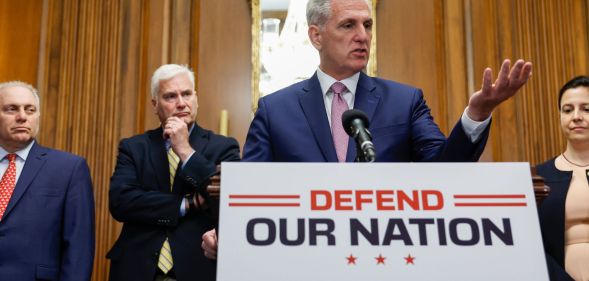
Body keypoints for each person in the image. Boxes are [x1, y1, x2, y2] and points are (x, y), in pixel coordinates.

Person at [202, 0, 532, 258]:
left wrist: (477, 112)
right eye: (348, 25)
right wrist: (227, 233)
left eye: (367, 24)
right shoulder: (275, 109)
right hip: (303, 257)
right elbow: (253, 191)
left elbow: (445, 171)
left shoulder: (405, 100)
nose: (363, 35)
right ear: (316, 35)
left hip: (388, 254)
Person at [107, 64, 240, 281]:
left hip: (198, 266)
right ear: (155, 104)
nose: (181, 103)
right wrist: (185, 204)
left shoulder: (223, 147)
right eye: (170, 96)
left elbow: (228, 198)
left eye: (186, 94)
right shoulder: (133, 147)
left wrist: (186, 151)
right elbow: (122, 202)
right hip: (137, 267)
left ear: (195, 98)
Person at [0, 81, 95, 280]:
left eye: (30, 109)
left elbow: (79, 249)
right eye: (11, 109)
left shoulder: (69, 168)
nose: (22, 116)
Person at [537, 76, 589, 281]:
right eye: (568, 110)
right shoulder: (538, 178)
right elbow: (533, 245)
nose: (576, 116)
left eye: (586, 108)